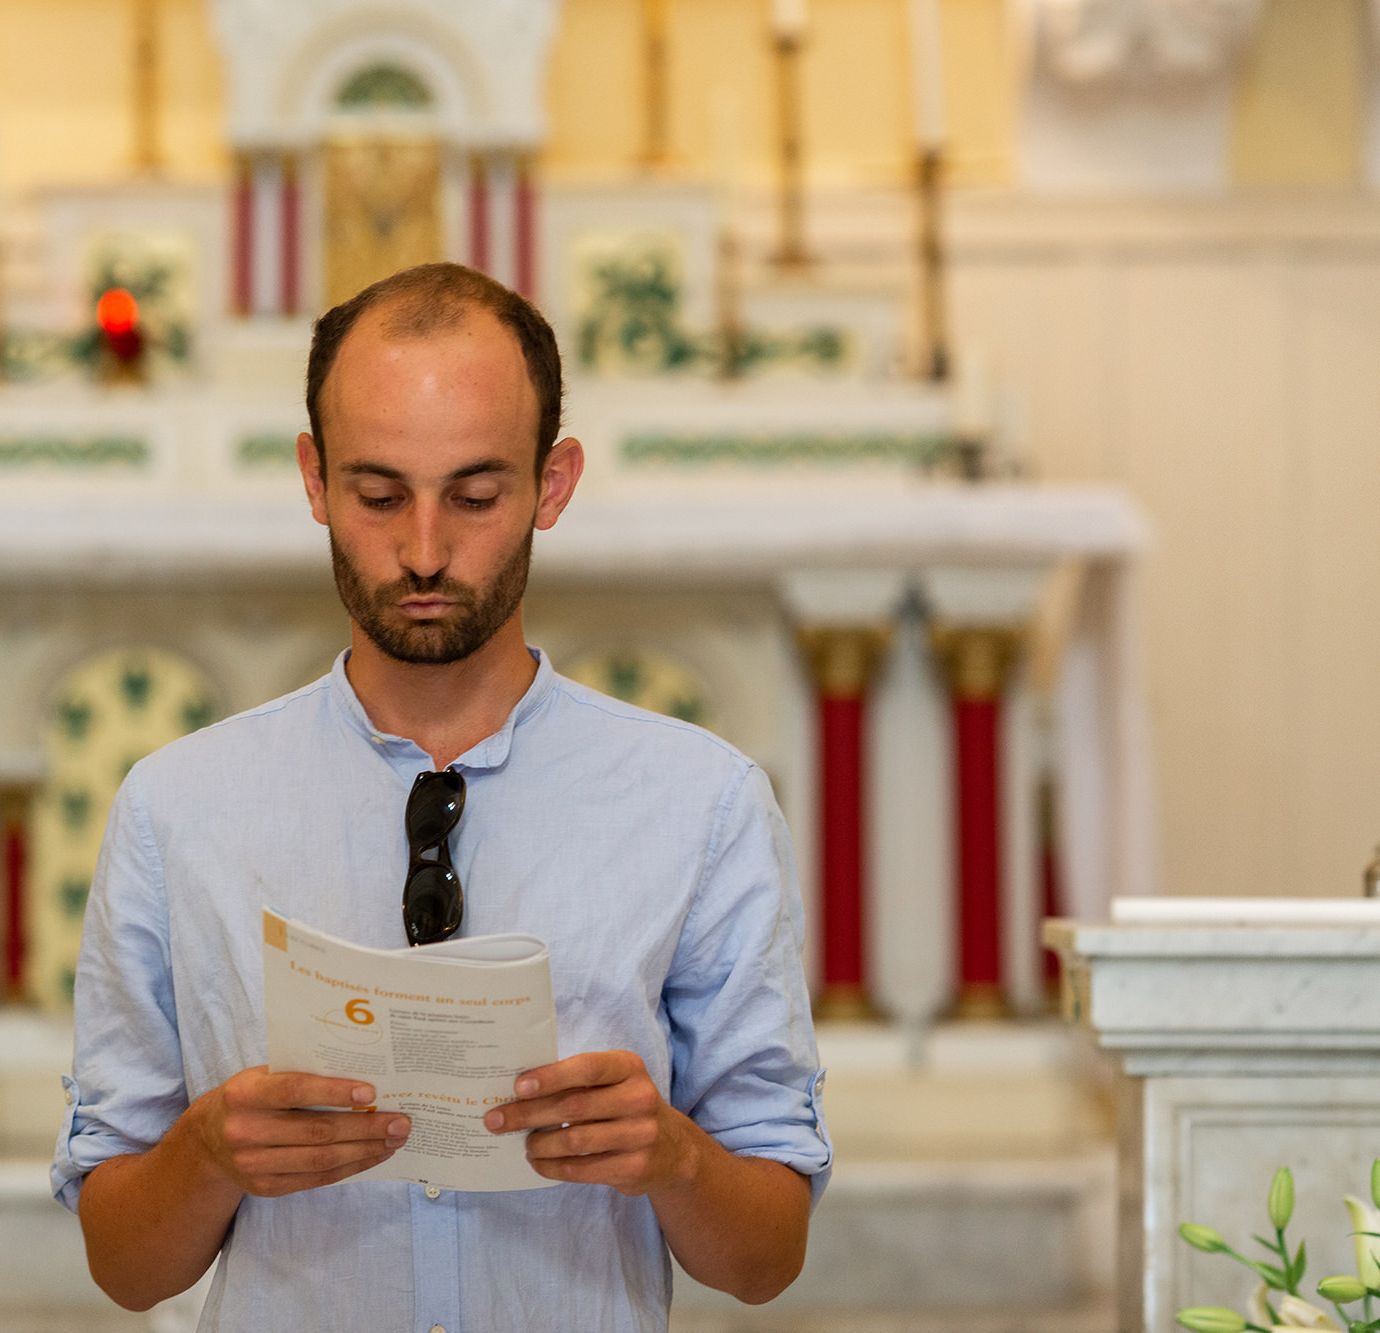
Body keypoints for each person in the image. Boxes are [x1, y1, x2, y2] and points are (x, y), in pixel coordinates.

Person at [50, 262, 831, 1331]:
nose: (423, 550)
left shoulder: (697, 804)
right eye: (376, 496)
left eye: (474, 495)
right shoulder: (177, 809)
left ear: (551, 486)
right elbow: (125, 1268)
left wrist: (674, 1155)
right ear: (313, 480)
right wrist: (204, 1152)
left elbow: (765, 1257)